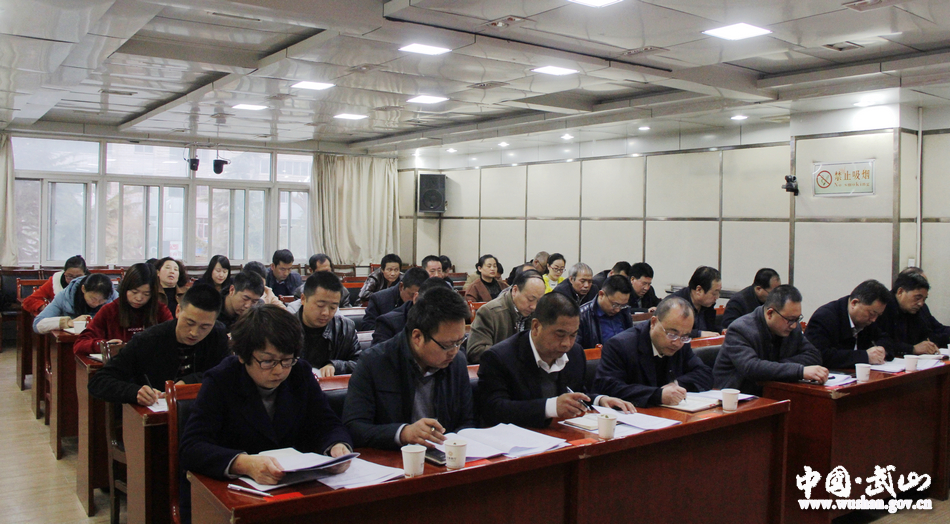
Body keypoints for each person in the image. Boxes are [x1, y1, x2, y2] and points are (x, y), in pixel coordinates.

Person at [178, 305, 353, 523]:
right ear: (243, 356)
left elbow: (326, 423)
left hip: (292, 492)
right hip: (232, 497)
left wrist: (337, 446)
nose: (279, 370)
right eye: (268, 361)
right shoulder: (221, 380)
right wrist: (244, 463)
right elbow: (192, 447)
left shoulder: (300, 373)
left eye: (286, 360)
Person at [342, 286, 474, 449]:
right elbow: (354, 427)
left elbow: (467, 421)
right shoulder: (374, 362)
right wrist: (403, 433)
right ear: (417, 337)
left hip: (445, 454)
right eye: (447, 345)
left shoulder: (457, 362)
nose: (454, 351)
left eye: (460, 342)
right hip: (394, 457)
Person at [478, 293, 635, 428]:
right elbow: (494, 410)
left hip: (562, 437)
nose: (567, 343)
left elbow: (574, 394)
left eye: (573, 335)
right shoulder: (499, 357)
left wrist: (600, 400)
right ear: (536, 327)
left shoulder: (575, 353)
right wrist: (551, 407)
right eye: (560, 334)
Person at [87, 284, 230, 406]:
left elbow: (227, 373)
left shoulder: (217, 335)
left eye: (205, 327)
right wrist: (135, 392)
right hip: (157, 419)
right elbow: (99, 382)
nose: (194, 332)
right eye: (189, 323)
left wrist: (188, 383)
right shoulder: (148, 340)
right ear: (178, 311)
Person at [593, 296, 713, 407]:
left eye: (685, 336)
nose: (677, 343)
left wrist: (676, 384)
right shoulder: (620, 345)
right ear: (654, 322)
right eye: (672, 334)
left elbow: (705, 374)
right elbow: (609, 388)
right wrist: (658, 395)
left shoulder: (681, 343)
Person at [713, 285, 827, 395]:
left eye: (798, 319)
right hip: (737, 396)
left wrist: (774, 366)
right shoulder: (740, 329)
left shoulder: (792, 328)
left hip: (772, 391)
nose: (794, 325)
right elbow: (751, 367)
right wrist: (799, 371)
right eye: (790, 319)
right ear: (770, 313)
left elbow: (814, 355)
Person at [73, 263, 172, 356]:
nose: (139, 298)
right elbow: (80, 344)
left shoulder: (160, 311)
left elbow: (174, 340)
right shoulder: (109, 310)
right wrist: (104, 345)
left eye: (146, 294)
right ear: (125, 288)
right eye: (134, 292)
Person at [805, 279, 889, 368]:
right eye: (872, 314)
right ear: (854, 303)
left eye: (878, 315)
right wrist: (865, 356)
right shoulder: (824, 317)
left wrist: (882, 350)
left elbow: (885, 338)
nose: (874, 319)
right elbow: (819, 355)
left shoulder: (868, 319)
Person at [467, 271, 547, 364]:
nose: (533, 306)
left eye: (538, 301)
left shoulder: (538, 312)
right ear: (515, 290)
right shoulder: (490, 312)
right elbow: (475, 351)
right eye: (530, 299)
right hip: (499, 369)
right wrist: (514, 354)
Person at [298, 272, 361, 377]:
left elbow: (360, 363)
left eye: (333, 307)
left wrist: (335, 366)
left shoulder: (345, 328)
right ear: (303, 299)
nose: (326, 313)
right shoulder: (284, 328)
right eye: (320, 305)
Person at [876, 271, 946, 358]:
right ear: (900, 292)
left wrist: (929, 344)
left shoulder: (918, 310)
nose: (921, 303)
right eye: (917, 298)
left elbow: (930, 333)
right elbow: (881, 342)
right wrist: (912, 349)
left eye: (924, 299)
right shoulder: (883, 308)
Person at [33, 273, 117, 334]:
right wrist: (67, 322)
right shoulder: (64, 296)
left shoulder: (114, 297)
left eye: (102, 301)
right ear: (83, 289)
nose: (96, 304)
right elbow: (37, 324)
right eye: (93, 299)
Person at [373, 277, 448, 346]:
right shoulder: (389, 323)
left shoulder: (450, 319)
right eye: (431, 309)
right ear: (415, 298)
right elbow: (379, 354)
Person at [577, 275, 634, 349]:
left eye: (623, 305)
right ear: (601, 294)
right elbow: (576, 351)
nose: (618, 310)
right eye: (615, 305)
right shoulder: (582, 316)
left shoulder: (624, 312)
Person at [361, 267, 427, 331]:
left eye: (419, 296)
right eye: (412, 295)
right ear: (401, 286)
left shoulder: (429, 300)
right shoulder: (378, 299)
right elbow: (368, 326)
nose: (415, 300)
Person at [22, 255, 88, 315]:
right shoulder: (56, 281)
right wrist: (45, 307)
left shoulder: (91, 282)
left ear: (85, 274)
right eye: (69, 276)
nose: (74, 280)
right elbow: (29, 300)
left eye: (79, 277)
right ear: (64, 273)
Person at [669, 266, 721, 338]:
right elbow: (671, 332)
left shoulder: (707, 305)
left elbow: (711, 328)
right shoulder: (674, 305)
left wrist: (722, 330)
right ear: (699, 290)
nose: (717, 297)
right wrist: (698, 334)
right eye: (714, 293)